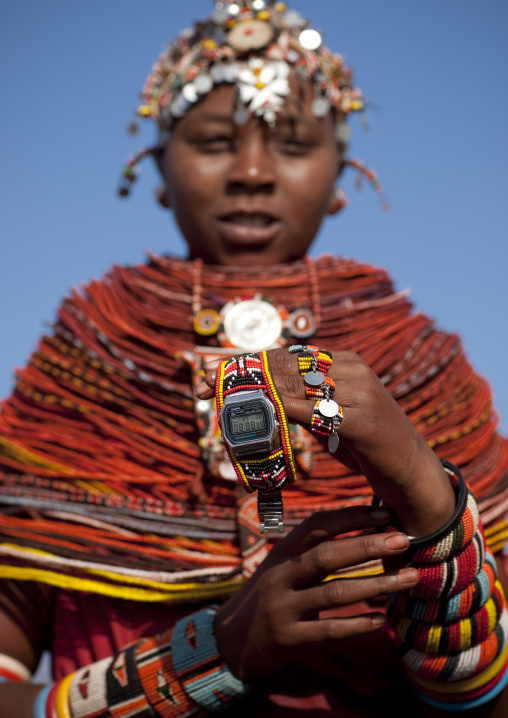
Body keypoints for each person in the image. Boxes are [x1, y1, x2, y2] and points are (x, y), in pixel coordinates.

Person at [0, 2, 507, 716]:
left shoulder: (423, 369)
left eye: (294, 144)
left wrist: (428, 495)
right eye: (212, 142)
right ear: (157, 168)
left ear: (340, 177)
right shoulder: (80, 370)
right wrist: (210, 654)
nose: (251, 172)